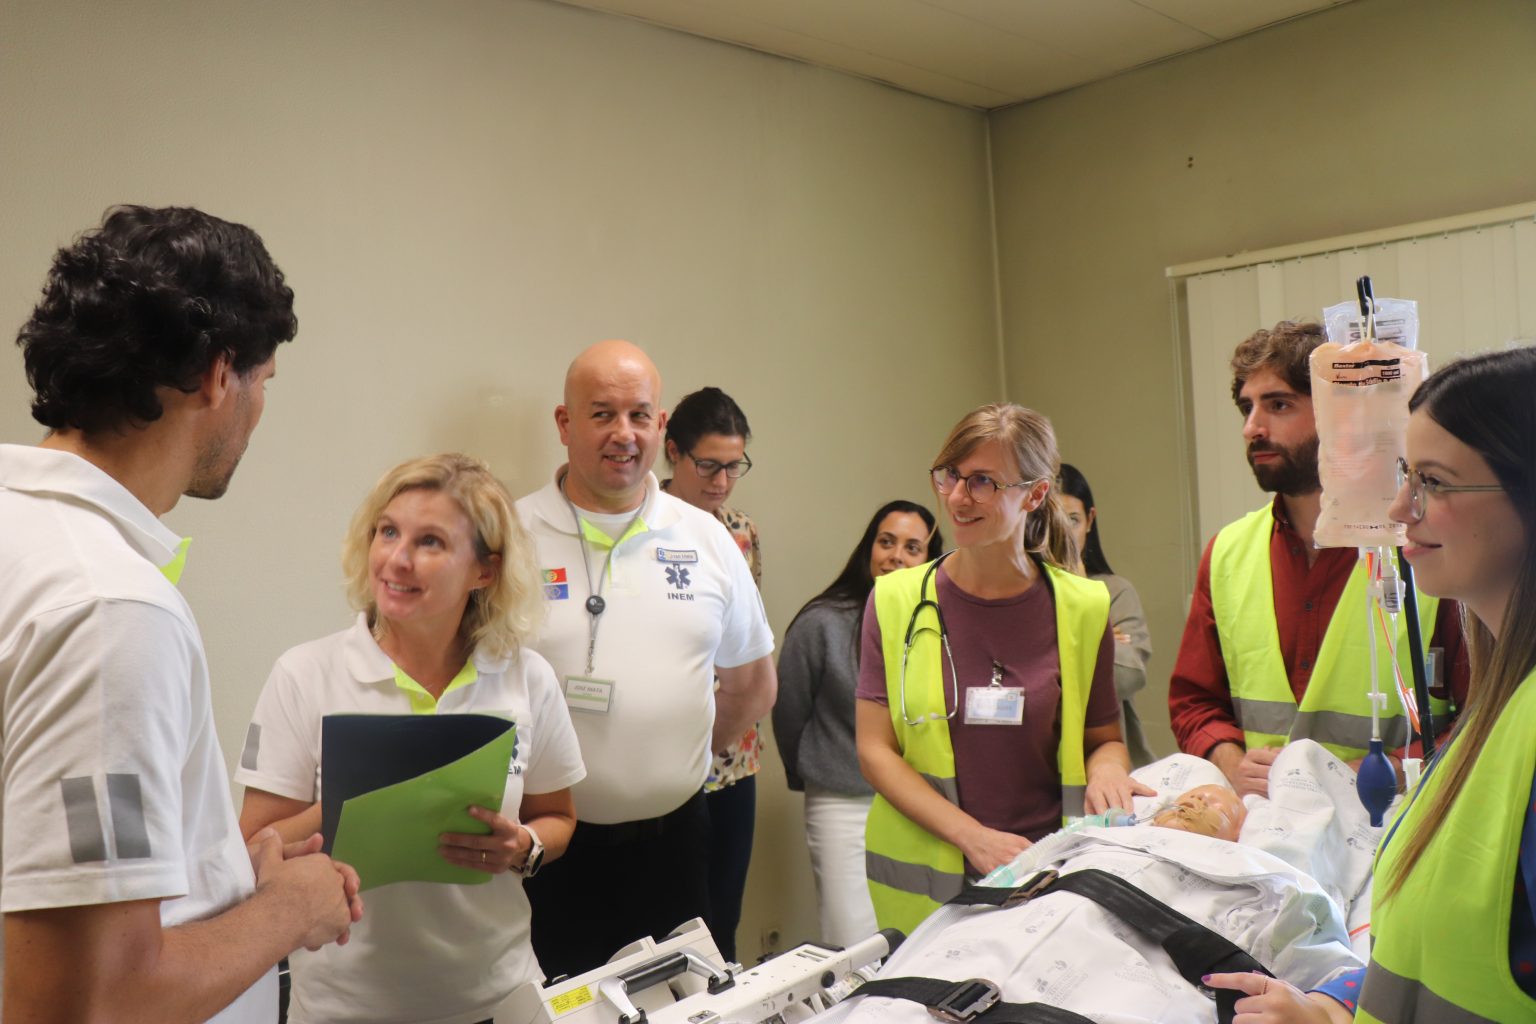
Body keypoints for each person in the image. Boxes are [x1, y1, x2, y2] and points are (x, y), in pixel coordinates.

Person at [0, 206, 359, 1022]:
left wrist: (218, 880)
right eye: (264, 383)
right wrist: (289, 909)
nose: (258, 411)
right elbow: (84, 1003)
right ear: (218, 375)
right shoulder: (108, 608)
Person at [1208, 345, 1536, 1022]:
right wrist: (1333, 1007)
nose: (1400, 508)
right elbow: (1434, 947)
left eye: (1433, 482)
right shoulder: (1497, 717)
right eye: (1405, 476)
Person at [235, 454, 584, 1024]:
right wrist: (355, 803)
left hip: (500, 997)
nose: (397, 559)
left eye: (430, 542)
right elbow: (253, 849)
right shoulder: (305, 674)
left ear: (485, 571)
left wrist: (524, 846)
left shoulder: (527, 677)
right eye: (388, 532)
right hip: (345, 1007)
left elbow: (560, 818)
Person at [516, 340, 777, 978]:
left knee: (684, 1005)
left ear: (660, 426)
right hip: (552, 854)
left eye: (639, 415)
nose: (623, 434)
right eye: (602, 414)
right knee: (560, 1012)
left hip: (676, 845)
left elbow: (752, 683)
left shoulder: (707, 537)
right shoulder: (511, 535)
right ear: (564, 423)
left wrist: (677, 754)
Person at [854, 403, 1148, 936]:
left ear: (1035, 494)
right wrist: (972, 837)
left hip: (1047, 874)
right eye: (951, 475)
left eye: (983, 482)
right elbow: (875, 751)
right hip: (928, 890)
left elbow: (1104, 737)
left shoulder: (1084, 607)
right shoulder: (895, 600)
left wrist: (1108, 768)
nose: (957, 497)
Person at [1168, 320, 1469, 797]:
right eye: (1247, 408)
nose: (1252, 428)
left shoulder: (1426, 546)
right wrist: (1231, 761)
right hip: (1264, 827)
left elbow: (1485, 715)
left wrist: (1388, 770)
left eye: (1278, 405)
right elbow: (1194, 702)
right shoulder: (1226, 552)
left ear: (1340, 414)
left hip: (1392, 823)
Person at [773, 500, 944, 947]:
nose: (896, 556)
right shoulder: (821, 622)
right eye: (886, 542)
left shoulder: (940, 626)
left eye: (912, 547)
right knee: (850, 937)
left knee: (915, 935)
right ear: (869, 548)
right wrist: (816, 769)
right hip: (842, 802)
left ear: (930, 559)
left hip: (919, 802)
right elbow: (788, 711)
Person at [659, 386, 761, 963]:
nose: (721, 482)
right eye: (708, 466)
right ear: (673, 451)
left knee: (724, 918)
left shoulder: (740, 531)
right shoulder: (646, 525)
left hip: (734, 755)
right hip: (666, 760)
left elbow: (748, 645)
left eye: (734, 466)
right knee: (673, 926)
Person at [1058, 463, 1155, 767]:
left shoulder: (1115, 592)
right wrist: (1099, 639)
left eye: (1072, 520)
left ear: (1090, 520)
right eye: (1053, 521)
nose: (1063, 533)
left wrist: (1074, 625)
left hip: (1111, 764)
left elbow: (1126, 678)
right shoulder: (1020, 593)